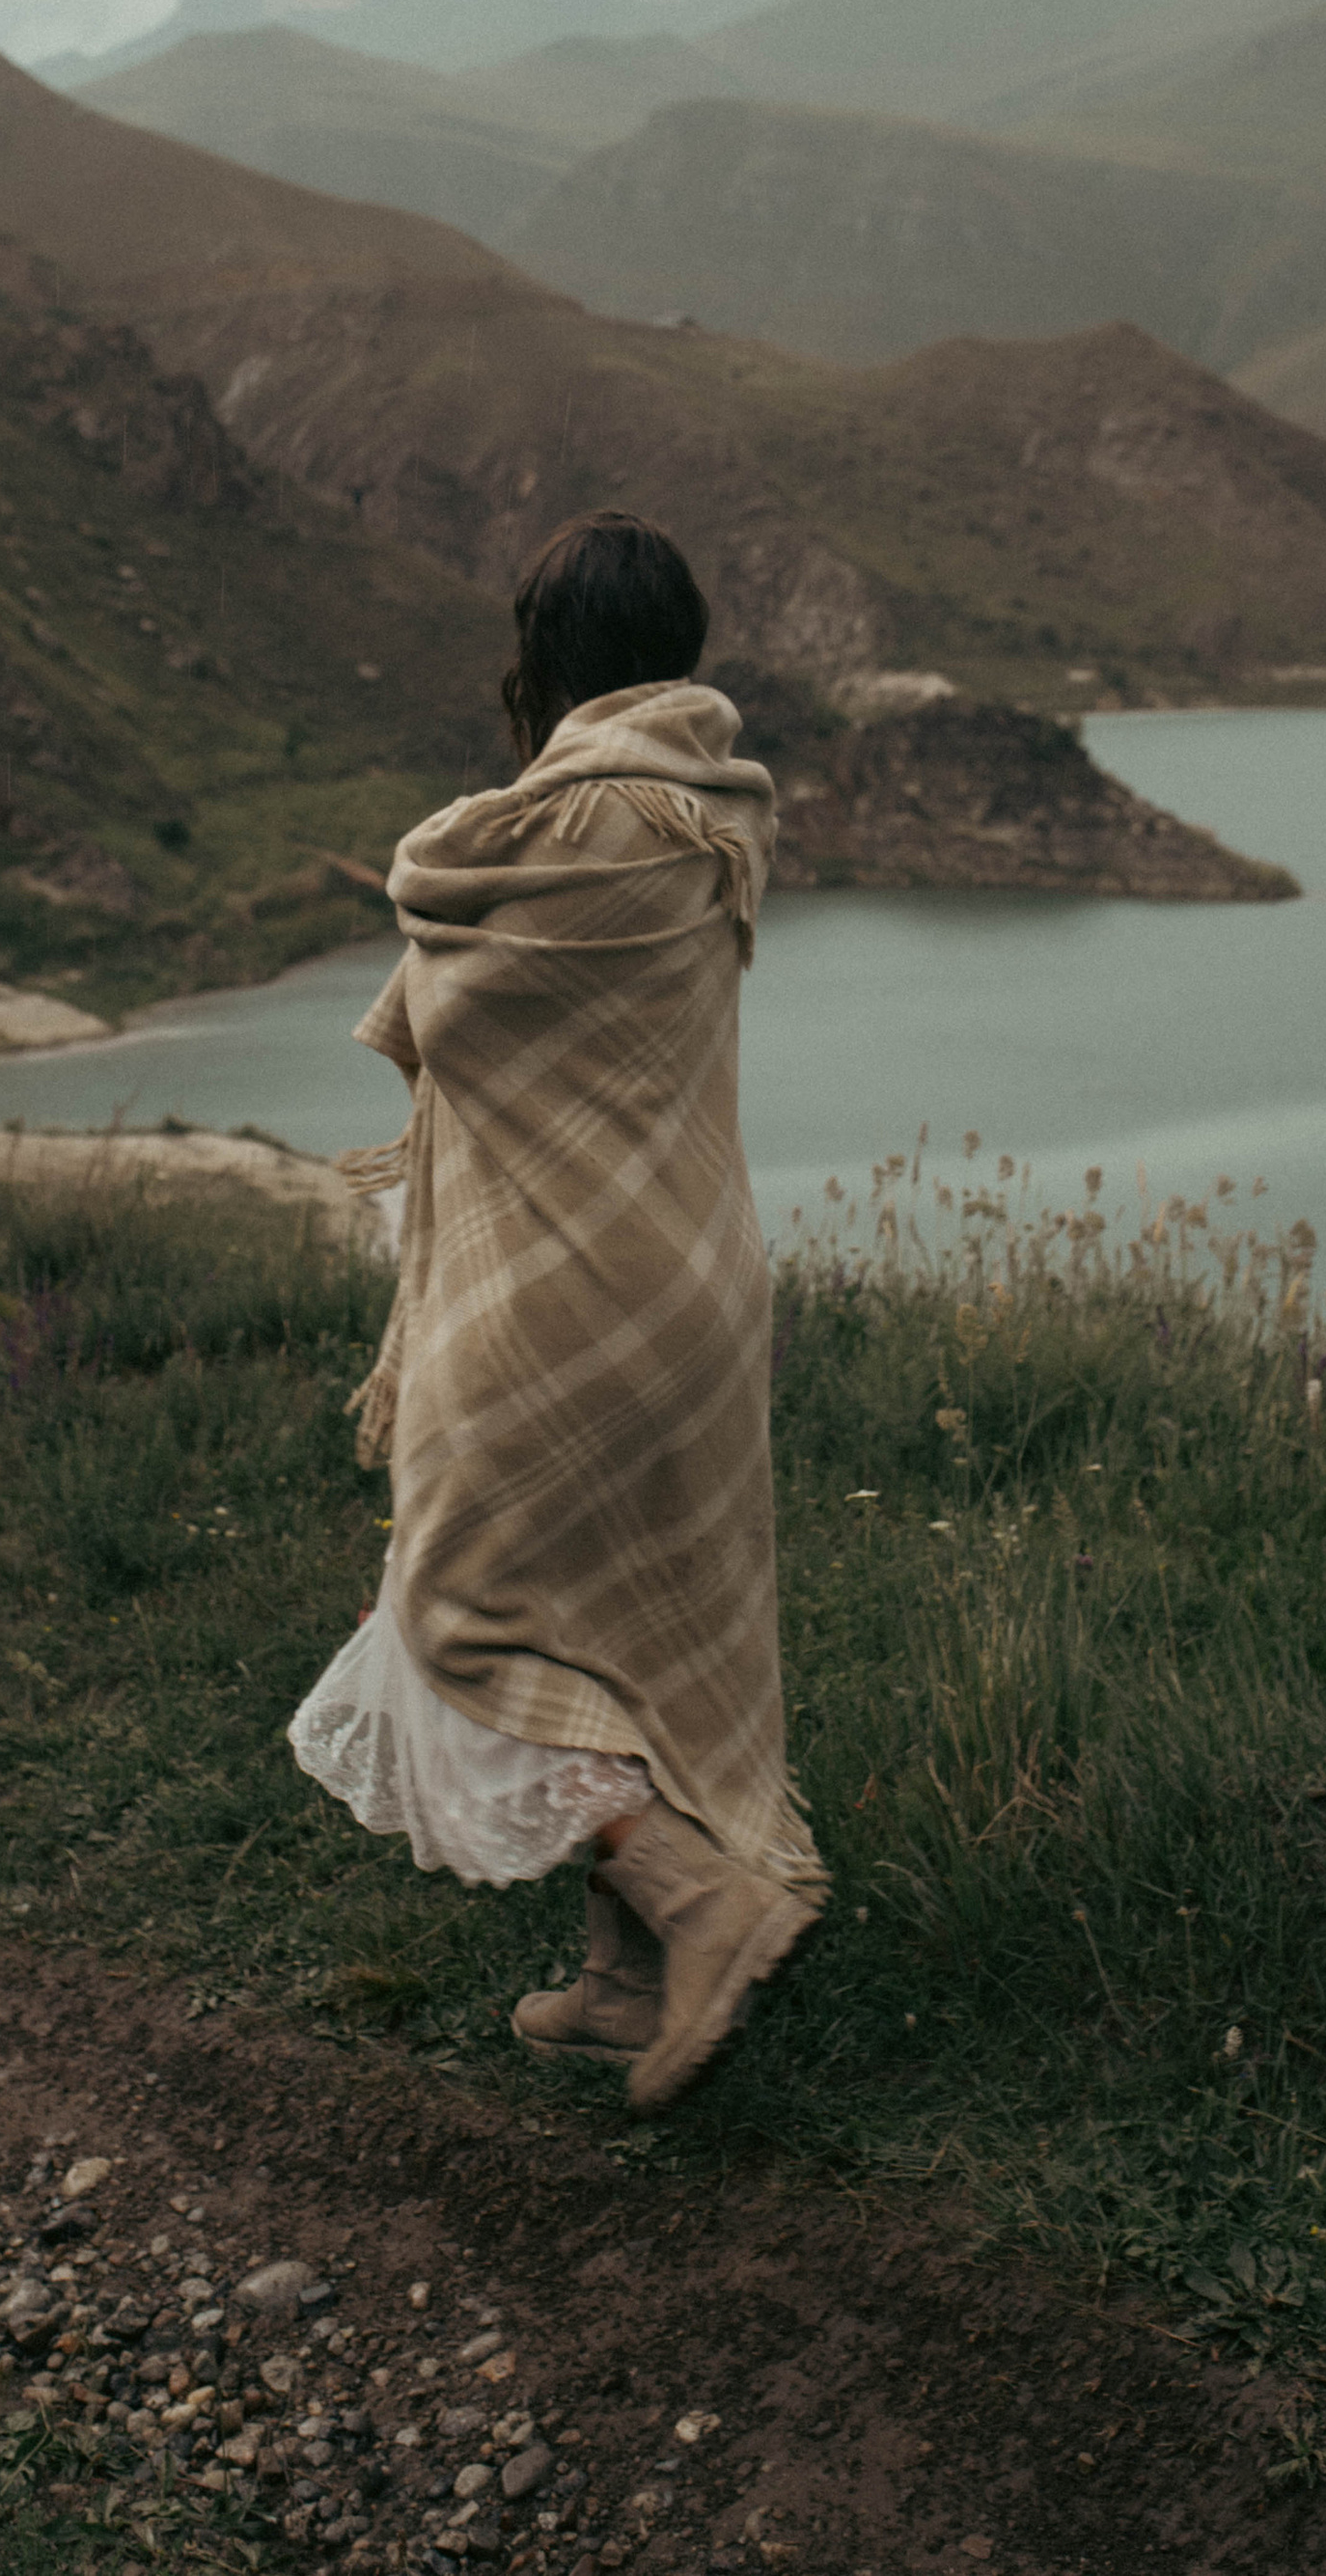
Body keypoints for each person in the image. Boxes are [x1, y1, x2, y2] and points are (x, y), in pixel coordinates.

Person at [288, 508, 823, 2109]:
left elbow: (434, 931)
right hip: (700, 1288)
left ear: (548, 660)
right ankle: (615, 1980)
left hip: (554, 1290)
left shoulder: (525, 839)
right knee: (633, 1623)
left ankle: (690, 1893)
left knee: (455, 1614)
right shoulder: (717, 811)